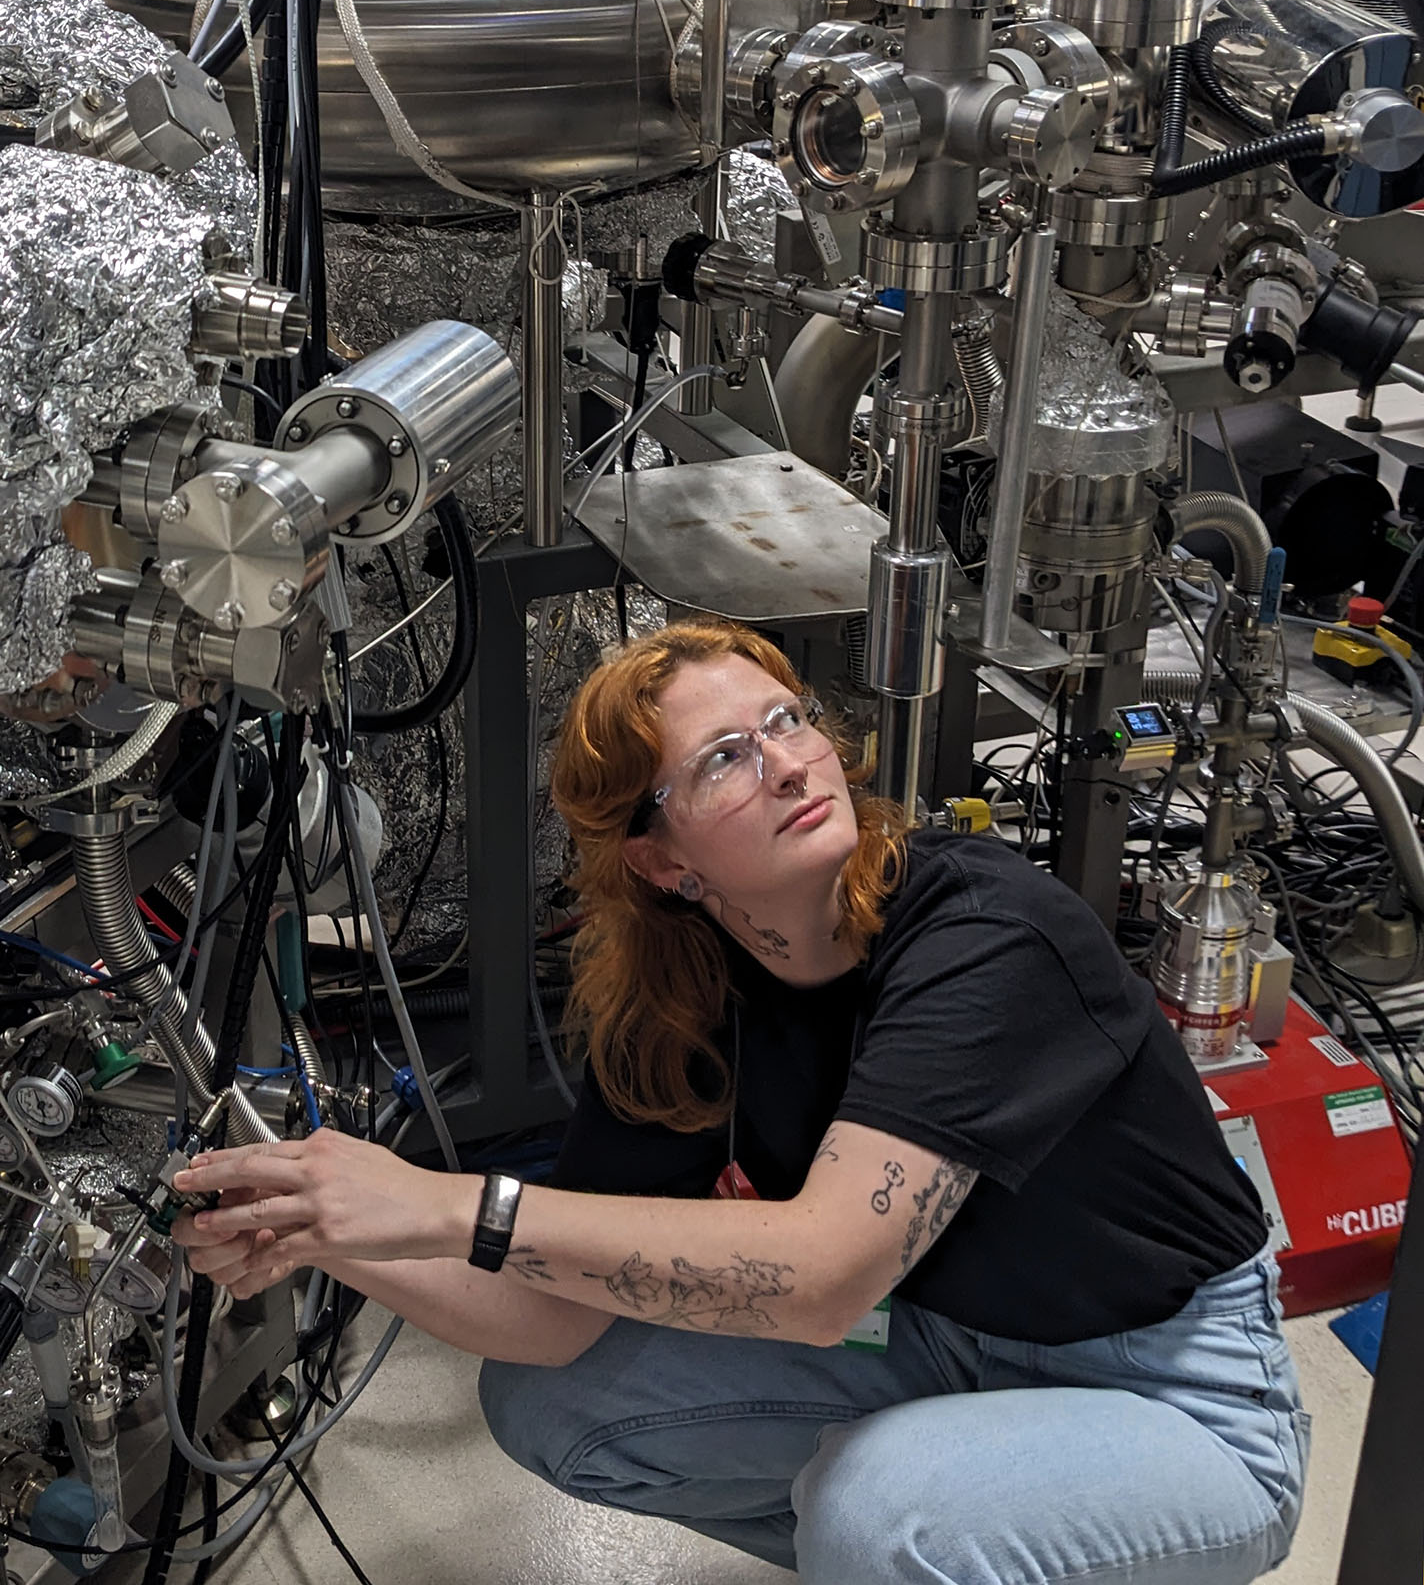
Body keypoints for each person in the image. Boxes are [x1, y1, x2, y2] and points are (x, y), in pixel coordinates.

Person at [172, 619, 1309, 1582]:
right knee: (550, 1402)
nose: (788, 762)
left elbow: (820, 1277)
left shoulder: (984, 930)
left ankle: (966, 1539)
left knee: (880, 1513)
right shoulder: (676, 1004)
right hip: (940, 1333)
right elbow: (551, 1315)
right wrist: (326, 1227)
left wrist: (444, 1203)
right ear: (661, 863)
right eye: (721, 757)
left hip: (1175, 1394)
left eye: (785, 720)